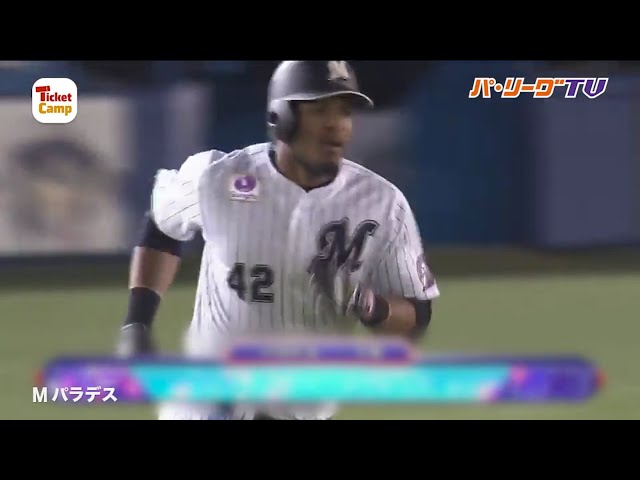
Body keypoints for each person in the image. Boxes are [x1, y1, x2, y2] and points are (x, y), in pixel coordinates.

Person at [116, 60, 440, 420]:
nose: (336, 124)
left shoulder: (382, 204)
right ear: (281, 117)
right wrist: (137, 322)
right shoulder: (218, 178)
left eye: (344, 111)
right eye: (320, 110)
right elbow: (161, 225)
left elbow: (417, 316)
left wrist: (372, 306)